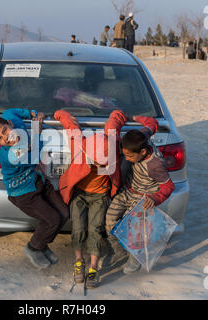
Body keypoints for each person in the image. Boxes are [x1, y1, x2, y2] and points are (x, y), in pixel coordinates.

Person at [0, 109, 69, 269]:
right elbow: (35, 155)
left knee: (64, 213)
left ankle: (42, 245)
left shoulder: (12, 121)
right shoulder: (12, 155)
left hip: (37, 180)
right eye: (0, 139)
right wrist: (37, 127)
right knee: (52, 219)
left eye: (5, 130)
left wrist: (31, 113)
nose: (6, 138)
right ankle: (33, 248)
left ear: (9, 124)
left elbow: (10, 111)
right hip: (23, 192)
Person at [54, 109, 127, 289]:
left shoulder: (111, 141)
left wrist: (123, 115)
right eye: (96, 163)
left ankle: (93, 267)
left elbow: (114, 123)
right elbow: (71, 125)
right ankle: (79, 261)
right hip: (79, 193)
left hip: (100, 195)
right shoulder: (78, 144)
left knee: (95, 229)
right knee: (78, 227)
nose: (100, 166)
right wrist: (59, 114)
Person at [102, 116, 175, 275]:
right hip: (127, 192)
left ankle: (135, 256)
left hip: (143, 199)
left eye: (129, 157)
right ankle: (118, 250)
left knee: (134, 231)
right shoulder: (141, 137)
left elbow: (169, 186)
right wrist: (135, 117)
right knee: (109, 221)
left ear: (143, 151)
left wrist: (154, 199)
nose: (126, 159)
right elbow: (152, 124)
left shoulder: (154, 165)